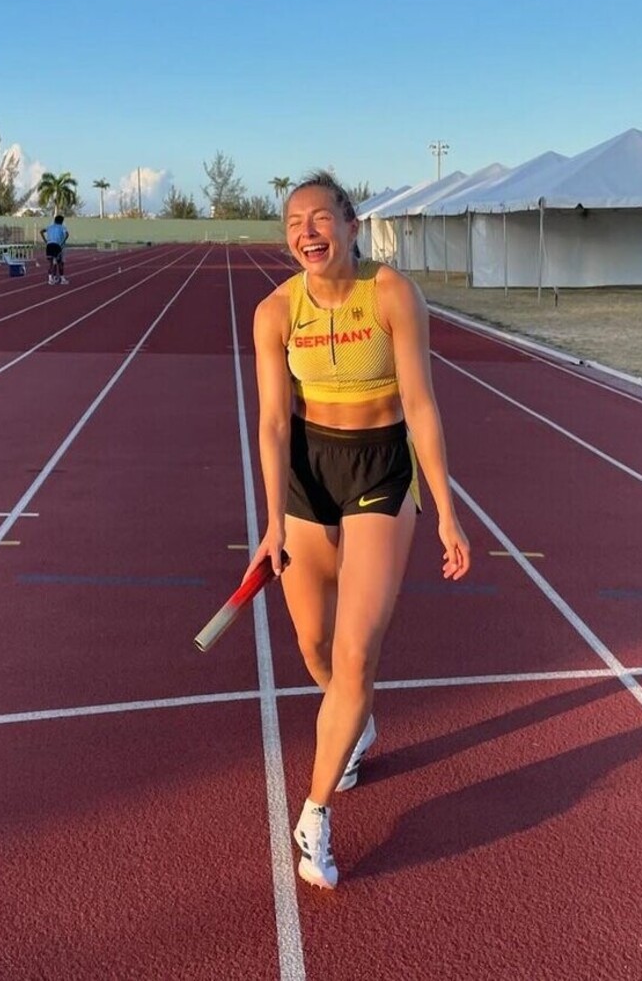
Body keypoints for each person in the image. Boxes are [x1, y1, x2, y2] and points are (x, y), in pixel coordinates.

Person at [250, 170, 471, 890]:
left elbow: (422, 405)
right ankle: (358, 720)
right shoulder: (275, 313)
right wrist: (272, 521)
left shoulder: (393, 294)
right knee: (315, 647)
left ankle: (314, 814)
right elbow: (274, 423)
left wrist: (446, 511)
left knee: (354, 653)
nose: (306, 232)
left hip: (380, 471)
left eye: (320, 218)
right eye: (294, 223)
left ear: (350, 226)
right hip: (309, 476)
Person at [41, 214, 70, 285]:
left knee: (51, 263)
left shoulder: (49, 227)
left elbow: (41, 231)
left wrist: (45, 241)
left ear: (54, 220)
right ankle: (62, 279)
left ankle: (50, 279)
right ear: (62, 221)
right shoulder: (62, 227)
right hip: (57, 245)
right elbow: (67, 234)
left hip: (49, 245)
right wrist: (62, 242)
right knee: (60, 263)